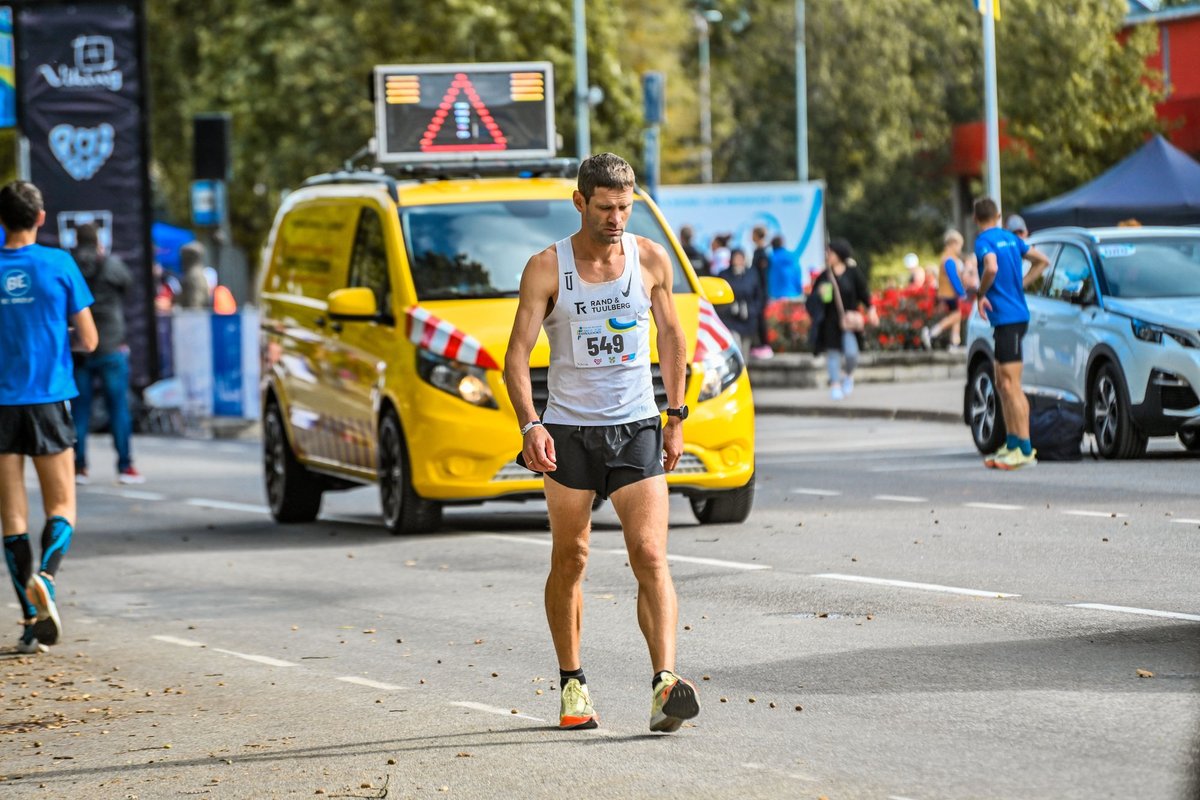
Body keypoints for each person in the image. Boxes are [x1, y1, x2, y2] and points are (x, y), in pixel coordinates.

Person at [504, 153, 699, 734]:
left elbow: (671, 336)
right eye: (606, 207)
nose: (616, 219)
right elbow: (516, 356)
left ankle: (665, 683)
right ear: (581, 202)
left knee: (650, 553)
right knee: (573, 558)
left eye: (625, 207)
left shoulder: (649, 260)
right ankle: (573, 685)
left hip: (637, 424)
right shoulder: (546, 267)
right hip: (568, 433)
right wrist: (530, 423)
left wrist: (676, 414)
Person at [0, 181, 98, 654]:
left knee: (12, 518)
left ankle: (28, 623)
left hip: (1, 405)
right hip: (49, 399)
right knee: (61, 506)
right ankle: (47, 579)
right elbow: (91, 339)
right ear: (40, 217)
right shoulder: (59, 265)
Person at [973, 197, 1051, 470]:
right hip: (1008, 320)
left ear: (975, 219)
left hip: (1010, 319)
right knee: (1002, 382)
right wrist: (1022, 282)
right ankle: (1013, 442)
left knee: (1012, 385)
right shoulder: (1010, 238)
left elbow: (991, 267)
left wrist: (980, 293)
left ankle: (1026, 449)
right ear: (997, 215)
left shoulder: (984, 241)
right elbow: (1042, 261)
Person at [70, 223, 144, 485]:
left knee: (80, 410)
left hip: (80, 347)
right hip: (112, 345)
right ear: (98, 240)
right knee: (118, 408)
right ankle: (125, 466)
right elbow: (129, 287)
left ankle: (79, 468)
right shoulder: (112, 265)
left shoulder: (70, 265)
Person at [808, 239, 876, 400]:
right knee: (833, 354)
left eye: (830, 252)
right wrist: (820, 294)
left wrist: (871, 309)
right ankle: (835, 385)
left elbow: (863, 293)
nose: (827, 255)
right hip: (830, 321)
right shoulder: (825, 275)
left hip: (848, 321)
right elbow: (812, 299)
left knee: (851, 353)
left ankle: (848, 375)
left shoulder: (852, 272)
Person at [921, 229, 968, 350]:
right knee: (956, 316)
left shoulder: (945, 258)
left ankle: (954, 343)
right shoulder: (949, 259)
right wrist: (962, 293)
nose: (959, 249)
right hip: (949, 294)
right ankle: (932, 333)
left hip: (946, 293)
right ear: (953, 244)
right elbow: (954, 278)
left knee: (956, 317)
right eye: (959, 246)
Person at [714, 248, 763, 356]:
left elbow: (758, 295)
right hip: (730, 319)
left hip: (748, 318)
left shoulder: (751, 274)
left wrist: (751, 310)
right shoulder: (724, 275)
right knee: (736, 347)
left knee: (745, 351)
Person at [749, 226, 772, 356]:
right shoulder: (758, 251)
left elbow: (763, 276)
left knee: (761, 319)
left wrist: (762, 293)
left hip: (761, 291)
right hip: (758, 290)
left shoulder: (762, 253)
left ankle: (765, 345)